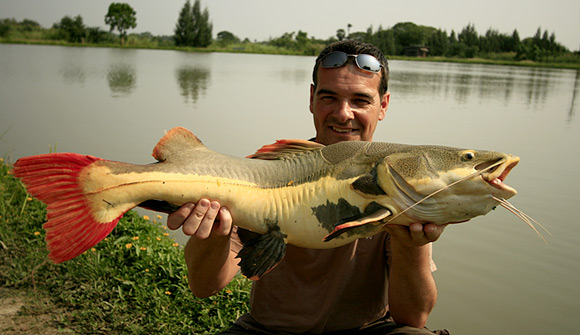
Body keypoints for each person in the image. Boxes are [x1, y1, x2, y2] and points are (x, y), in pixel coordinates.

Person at [167, 40, 449, 335]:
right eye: (329, 97)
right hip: (268, 331)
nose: (343, 113)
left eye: (360, 100)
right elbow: (204, 286)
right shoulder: (267, 168)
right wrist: (213, 233)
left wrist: (410, 244)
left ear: (383, 105)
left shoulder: (401, 181)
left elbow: (413, 317)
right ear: (312, 98)